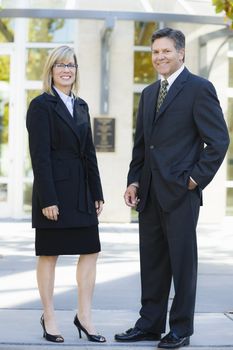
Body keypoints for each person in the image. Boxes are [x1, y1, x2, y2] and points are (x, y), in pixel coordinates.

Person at [115, 27, 229, 349]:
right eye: (155, 52)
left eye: (166, 51)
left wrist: (193, 180)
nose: (159, 57)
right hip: (149, 193)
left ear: (181, 53)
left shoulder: (199, 89)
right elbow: (142, 146)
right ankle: (149, 324)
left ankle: (180, 329)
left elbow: (218, 141)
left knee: (182, 264)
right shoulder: (149, 93)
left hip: (181, 193)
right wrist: (133, 180)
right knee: (151, 263)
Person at [26, 45, 106, 344]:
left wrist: (96, 191)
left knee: (91, 251)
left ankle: (84, 316)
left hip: (81, 193)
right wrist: (48, 198)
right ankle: (49, 316)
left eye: (70, 65)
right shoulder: (41, 106)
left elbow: (89, 153)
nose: (66, 69)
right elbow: (40, 156)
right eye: (59, 65)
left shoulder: (82, 105)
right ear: (50, 70)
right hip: (54, 193)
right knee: (49, 254)